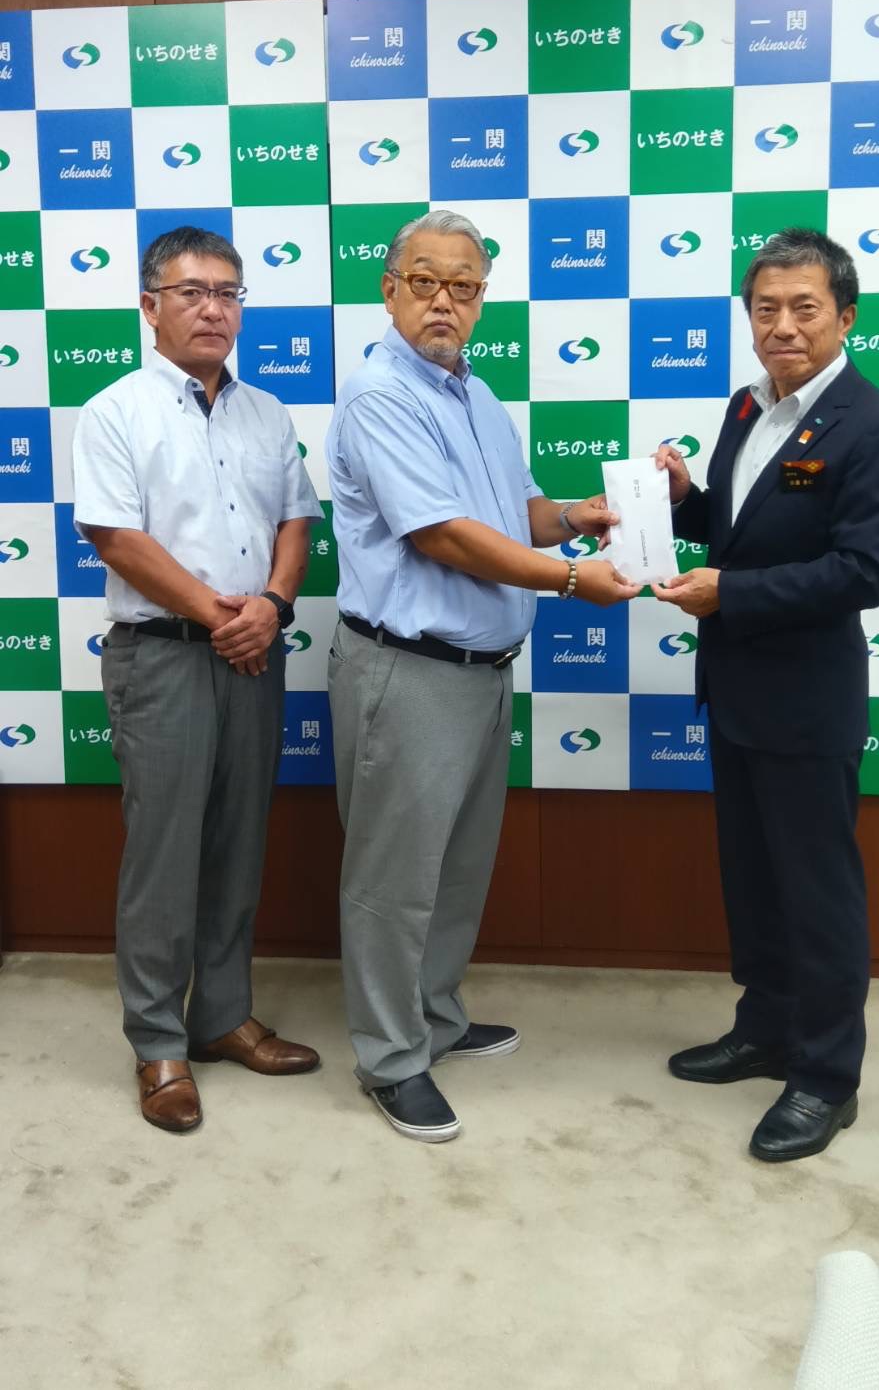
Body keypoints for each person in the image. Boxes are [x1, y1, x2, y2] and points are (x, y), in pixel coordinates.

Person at [326, 209, 640, 1142]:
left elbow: (512, 512)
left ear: (481, 299)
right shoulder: (381, 395)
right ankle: (391, 1059)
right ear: (389, 288)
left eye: (463, 287)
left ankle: (435, 1018)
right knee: (392, 879)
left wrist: (577, 517)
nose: (444, 302)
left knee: (457, 869)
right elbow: (444, 536)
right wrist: (573, 579)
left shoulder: (475, 391)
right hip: (408, 672)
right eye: (425, 282)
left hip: (481, 672)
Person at [652, 227, 879, 1163]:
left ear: (846, 317)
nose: (784, 326)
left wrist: (730, 594)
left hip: (808, 702)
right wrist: (685, 499)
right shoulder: (746, 406)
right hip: (732, 690)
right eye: (766, 309)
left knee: (818, 894)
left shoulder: (877, 425)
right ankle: (765, 1031)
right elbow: (740, 526)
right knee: (754, 878)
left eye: (805, 307)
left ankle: (828, 1077)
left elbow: (863, 572)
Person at [72, 225, 322, 1133]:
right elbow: (116, 537)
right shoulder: (114, 411)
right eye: (192, 292)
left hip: (257, 650)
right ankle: (157, 1042)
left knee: (236, 844)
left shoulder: (267, 413)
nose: (213, 309)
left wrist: (274, 606)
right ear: (150, 306)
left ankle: (221, 1018)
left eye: (228, 293)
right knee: (164, 855)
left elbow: (297, 520)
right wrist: (226, 618)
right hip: (165, 655)